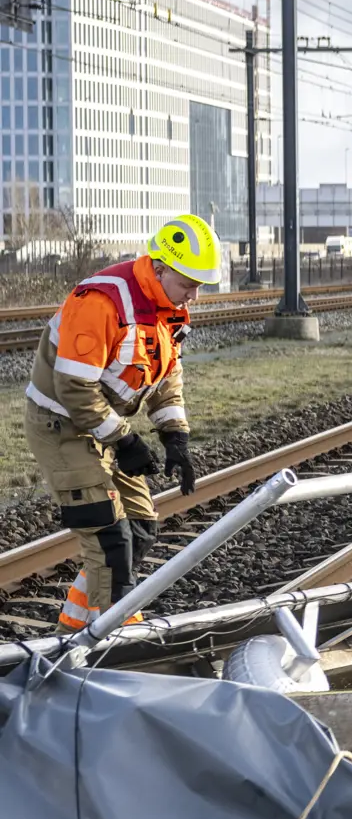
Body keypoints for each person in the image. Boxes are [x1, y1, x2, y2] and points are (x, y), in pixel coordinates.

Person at [25, 216, 215, 629]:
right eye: (188, 283)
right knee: (110, 541)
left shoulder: (170, 308)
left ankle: (74, 631)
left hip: (103, 428)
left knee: (141, 528)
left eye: (200, 285)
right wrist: (125, 441)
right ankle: (115, 642)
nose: (194, 296)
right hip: (61, 427)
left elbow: (166, 375)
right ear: (160, 267)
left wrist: (175, 436)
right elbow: (75, 390)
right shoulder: (101, 303)